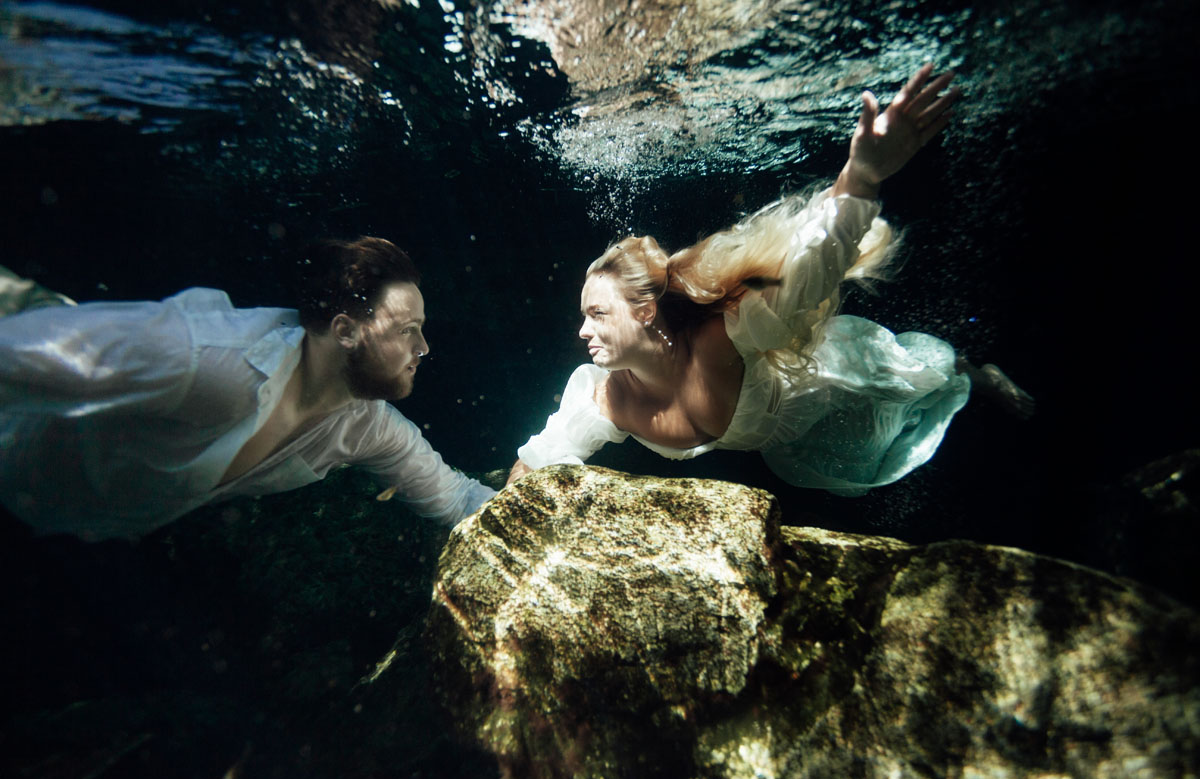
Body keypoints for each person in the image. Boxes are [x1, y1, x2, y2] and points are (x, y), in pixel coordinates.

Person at [509, 65, 1033, 494]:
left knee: (917, 374)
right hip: (784, 443)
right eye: (584, 315)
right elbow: (541, 457)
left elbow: (808, 268)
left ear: (646, 311)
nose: (582, 330)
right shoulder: (605, 400)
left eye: (597, 313)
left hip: (828, 374)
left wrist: (861, 177)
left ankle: (978, 372)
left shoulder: (720, 339)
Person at [0, 237, 495, 540]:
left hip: (64, 511)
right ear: (345, 331)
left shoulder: (366, 427)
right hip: (17, 440)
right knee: (34, 328)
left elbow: (455, 499)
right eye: (408, 329)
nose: (424, 347)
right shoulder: (207, 362)